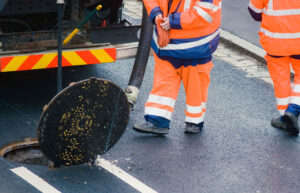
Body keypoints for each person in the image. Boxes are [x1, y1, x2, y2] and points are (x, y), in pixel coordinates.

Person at [132, 0, 222, 135]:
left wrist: (173, 21)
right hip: (167, 41)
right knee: (164, 82)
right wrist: (156, 13)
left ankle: (194, 121)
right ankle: (157, 120)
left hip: (195, 44)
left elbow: (205, 13)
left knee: (195, 84)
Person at [248, 0, 300, 135]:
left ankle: (285, 117)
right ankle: (293, 109)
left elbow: (254, 12)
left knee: (280, 80)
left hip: (275, 41)